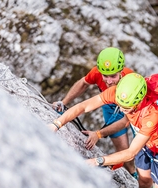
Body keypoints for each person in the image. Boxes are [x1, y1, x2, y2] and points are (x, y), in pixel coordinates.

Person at [51, 47, 136, 177]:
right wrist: (64, 102)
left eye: (113, 76)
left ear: (121, 71)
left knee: (139, 148)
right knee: (123, 148)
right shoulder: (97, 72)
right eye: (105, 76)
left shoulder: (131, 80)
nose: (108, 81)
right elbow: (83, 84)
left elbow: (125, 121)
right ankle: (133, 174)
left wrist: (98, 134)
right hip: (110, 105)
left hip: (133, 109)